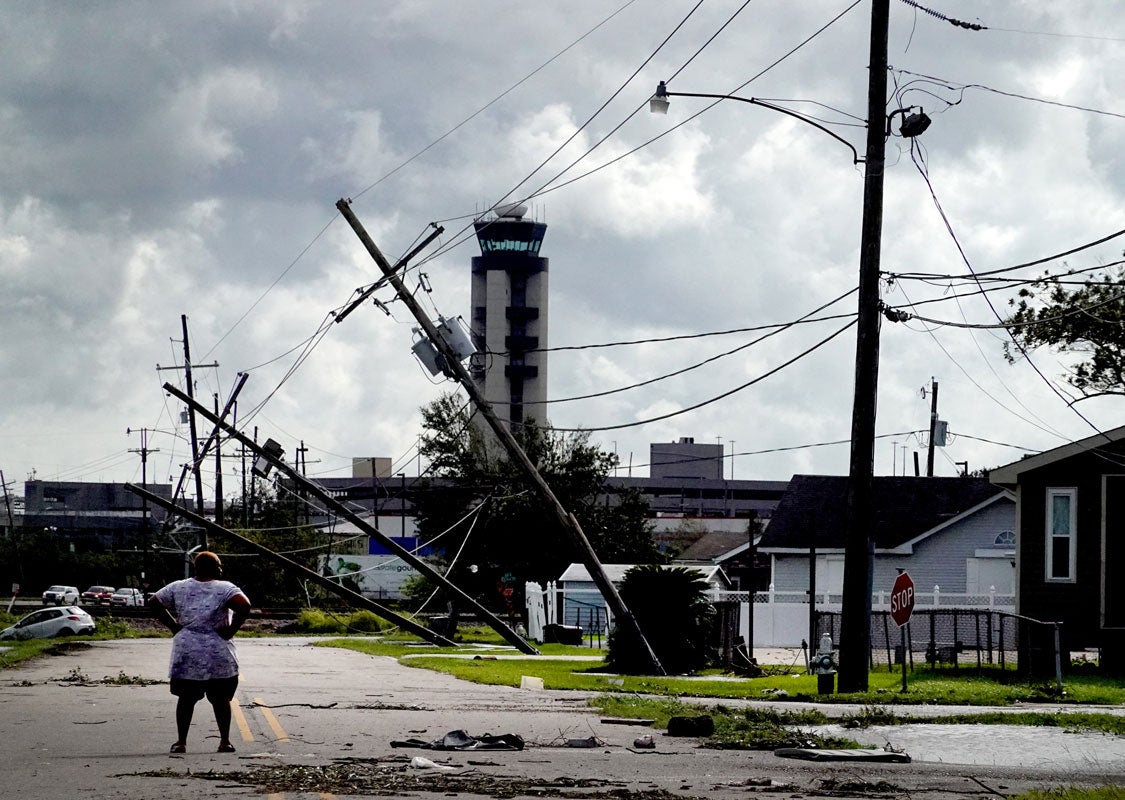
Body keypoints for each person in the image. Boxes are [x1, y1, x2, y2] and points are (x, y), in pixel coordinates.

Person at [147, 551, 252, 754]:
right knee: (221, 699)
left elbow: (153, 602)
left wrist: (172, 626)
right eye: (219, 565)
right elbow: (244, 606)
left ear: (195, 568)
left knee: (186, 699)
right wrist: (231, 630)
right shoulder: (225, 588)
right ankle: (225, 741)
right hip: (217, 653)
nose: (221, 569)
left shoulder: (178, 587)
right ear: (214, 568)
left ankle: (181, 742)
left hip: (187, 652)